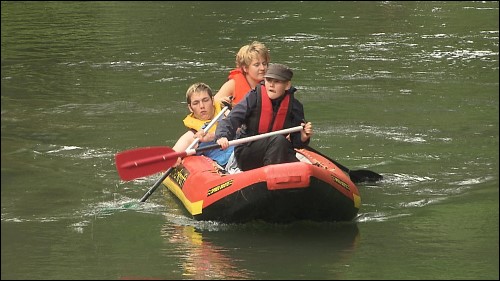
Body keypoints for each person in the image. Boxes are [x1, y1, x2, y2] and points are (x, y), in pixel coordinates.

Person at [215, 64, 313, 171]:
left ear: (287, 85)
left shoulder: (294, 106)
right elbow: (232, 119)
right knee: (279, 140)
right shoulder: (253, 97)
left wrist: (303, 138)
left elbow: (296, 142)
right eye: (269, 80)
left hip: (277, 149)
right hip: (248, 152)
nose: (271, 85)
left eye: (277, 81)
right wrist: (222, 136)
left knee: (281, 143)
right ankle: (273, 177)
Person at [172, 82, 234, 167]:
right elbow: (172, 155)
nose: (202, 106)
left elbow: (241, 127)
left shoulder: (226, 113)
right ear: (190, 108)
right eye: (196, 103)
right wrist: (174, 159)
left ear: (212, 101)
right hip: (226, 166)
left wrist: (214, 135)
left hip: (243, 152)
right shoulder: (192, 136)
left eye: (205, 100)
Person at [213, 41, 270, 106]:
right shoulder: (232, 85)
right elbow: (213, 103)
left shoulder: (271, 84)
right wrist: (222, 103)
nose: (262, 68)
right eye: (257, 65)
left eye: (264, 64)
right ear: (245, 68)